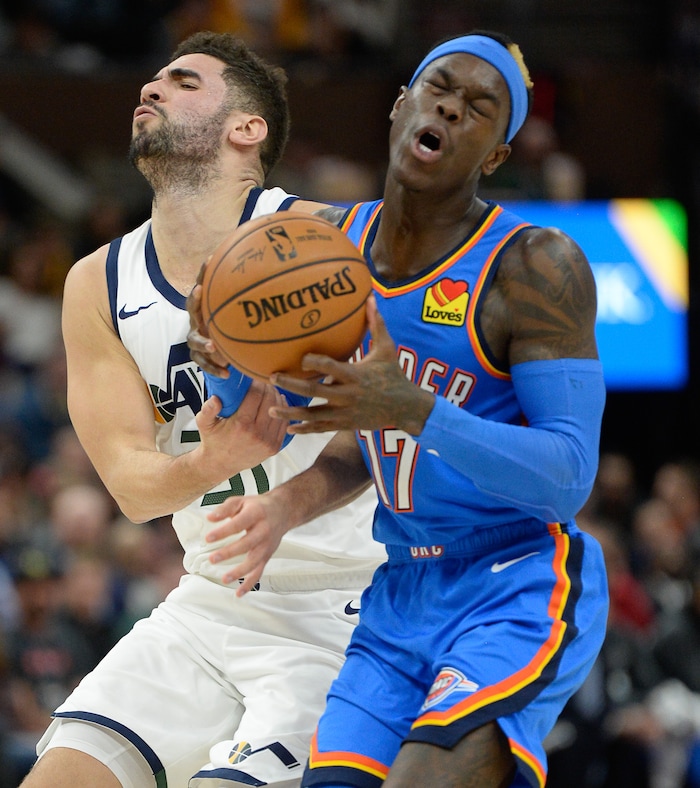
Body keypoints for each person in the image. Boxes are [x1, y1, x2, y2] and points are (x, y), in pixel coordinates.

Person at [195, 31, 610, 787]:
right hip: (398, 596)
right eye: (439, 88)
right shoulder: (321, 249)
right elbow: (329, 433)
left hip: (515, 581)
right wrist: (222, 364)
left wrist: (418, 411)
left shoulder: (536, 266)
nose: (451, 108)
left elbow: (569, 478)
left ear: (495, 157)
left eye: (479, 108)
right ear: (399, 106)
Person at [20, 31, 383, 788]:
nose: (150, 90)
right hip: (209, 603)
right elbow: (129, 486)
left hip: (347, 610)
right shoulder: (97, 280)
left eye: (183, 82)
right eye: (150, 80)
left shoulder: (337, 239)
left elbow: (409, 421)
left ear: (247, 128)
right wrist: (216, 458)